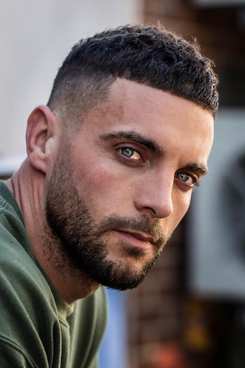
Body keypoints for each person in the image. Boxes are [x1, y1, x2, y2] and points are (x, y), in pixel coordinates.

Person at [0, 24, 218, 368]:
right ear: (43, 140)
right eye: (130, 153)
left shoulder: (84, 279)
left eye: (185, 176)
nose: (162, 204)